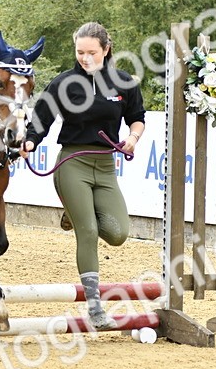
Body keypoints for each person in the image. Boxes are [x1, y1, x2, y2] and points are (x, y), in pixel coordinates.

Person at [22, 22, 145, 328]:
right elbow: (41, 120)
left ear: (106, 50)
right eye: (80, 52)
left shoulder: (124, 82)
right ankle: (94, 308)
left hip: (105, 167)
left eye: (92, 52)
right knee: (88, 231)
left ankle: (72, 215)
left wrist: (132, 138)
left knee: (118, 234)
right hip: (72, 163)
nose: (85, 58)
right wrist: (29, 142)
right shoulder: (64, 83)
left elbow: (137, 118)